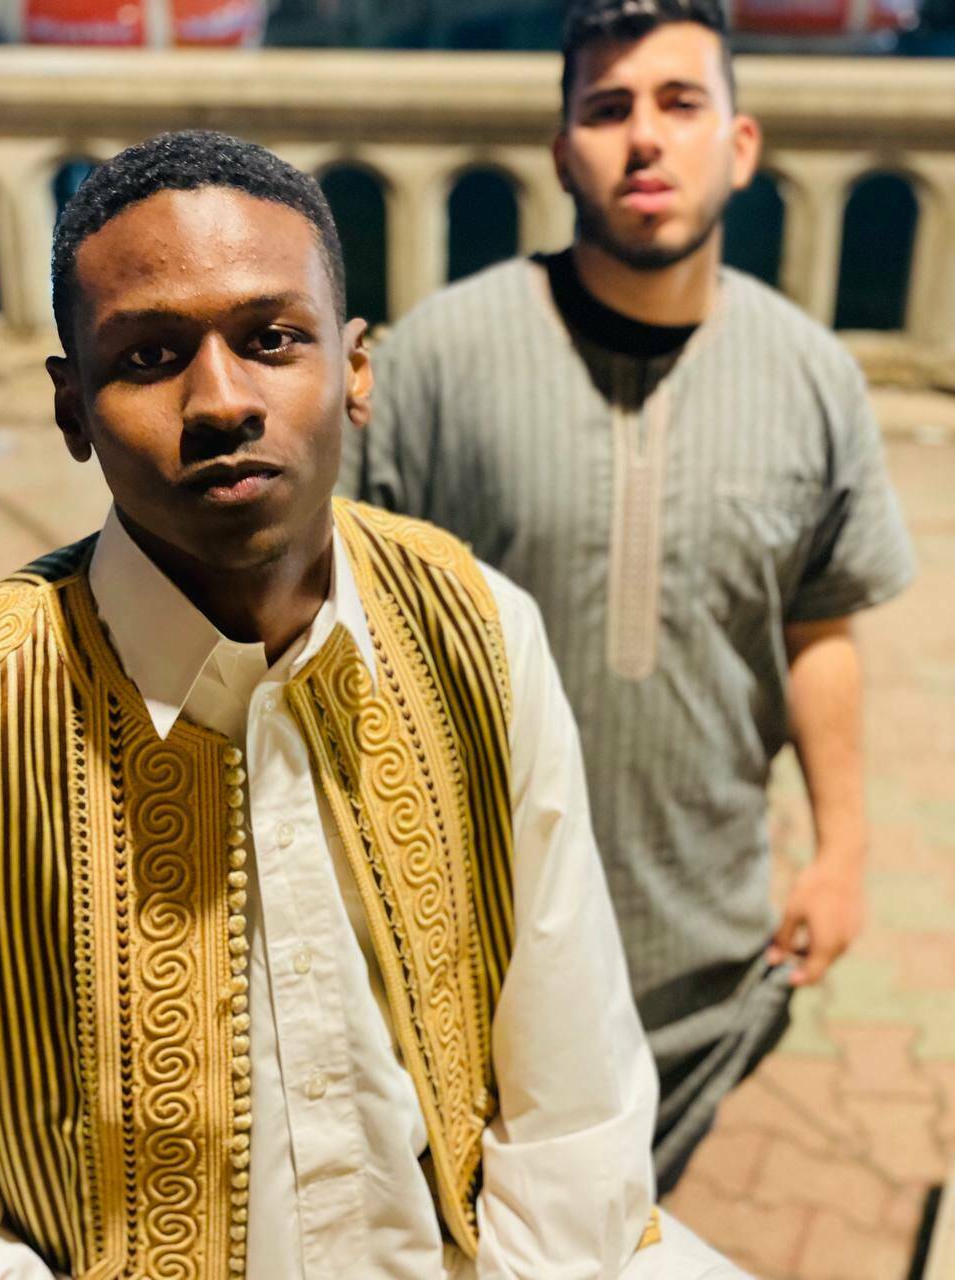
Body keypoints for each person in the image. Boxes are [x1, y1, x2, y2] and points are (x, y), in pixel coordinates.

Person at [0, 130, 751, 1279]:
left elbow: (572, 1096)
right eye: (149, 355)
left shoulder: (475, 627)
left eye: (271, 339)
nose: (221, 400)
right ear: (72, 407)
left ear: (355, 370)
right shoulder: (10, 695)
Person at [342, 0, 916, 1192]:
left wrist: (843, 850)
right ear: (563, 153)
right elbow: (342, 630)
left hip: (702, 951)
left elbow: (820, 624)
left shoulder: (814, 378)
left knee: (629, 1224)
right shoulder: (434, 364)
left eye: (679, 103)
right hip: (470, 947)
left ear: (741, 146)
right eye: (607, 109)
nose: (644, 137)